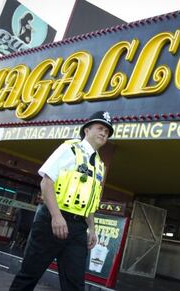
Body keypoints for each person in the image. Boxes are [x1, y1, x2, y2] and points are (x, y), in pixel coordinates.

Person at [10, 111, 114, 291]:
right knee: (29, 274)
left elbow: (90, 200)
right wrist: (56, 216)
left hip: (78, 228)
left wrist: (92, 229)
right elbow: (46, 181)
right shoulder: (70, 148)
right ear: (87, 130)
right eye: (100, 128)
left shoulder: (100, 165)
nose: (104, 133)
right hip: (52, 220)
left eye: (107, 131)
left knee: (75, 284)